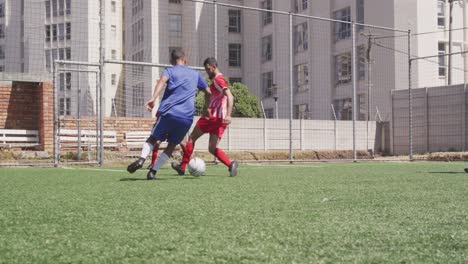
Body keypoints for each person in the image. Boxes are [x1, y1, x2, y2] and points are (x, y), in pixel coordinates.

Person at [127, 49, 209, 180]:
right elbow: (208, 92)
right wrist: (206, 108)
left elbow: (161, 82)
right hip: (186, 117)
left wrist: (153, 98)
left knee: (153, 139)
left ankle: (142, 159)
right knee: (171, 145)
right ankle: (153, 171)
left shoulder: (169, 71)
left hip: (169, 113)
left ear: (172, 61)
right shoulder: (195, 74)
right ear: (185, 59)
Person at [171, 57, 238, 177]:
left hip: (212, 116)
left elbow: (230, 96)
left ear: (213, 67)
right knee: (212, 148)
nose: (207, 72)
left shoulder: (218, 80)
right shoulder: (219, 80)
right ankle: (230, 164)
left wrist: (229, 114)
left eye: (208, 69)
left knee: (191, 138)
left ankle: (182, 167)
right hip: (220, 120)